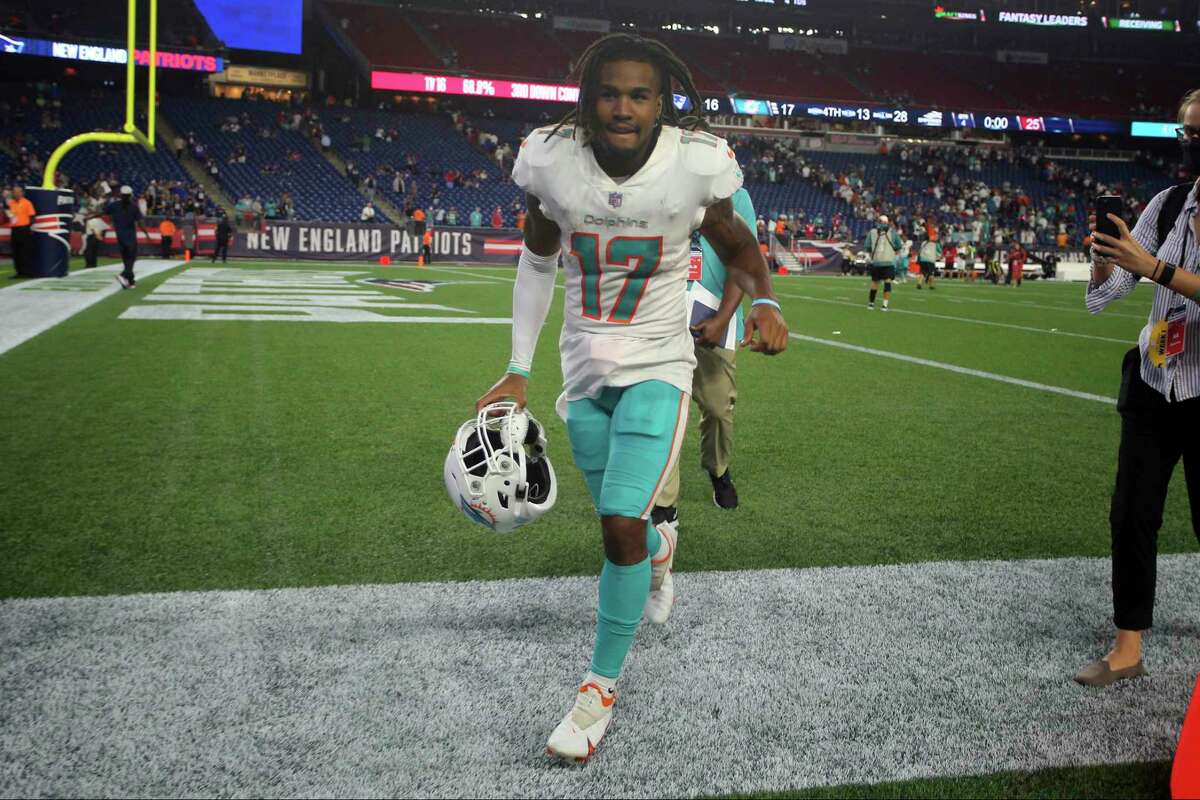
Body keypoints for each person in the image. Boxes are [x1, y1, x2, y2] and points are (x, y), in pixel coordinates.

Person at [473, 32, 787, 763]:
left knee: (617, 525)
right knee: (628, 534)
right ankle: (659, 547)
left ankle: (596, 691)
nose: (623, 107)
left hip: (660, 362)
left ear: (661, 103)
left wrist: (767, 302)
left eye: (639, 95)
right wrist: (517, 365)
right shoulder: (552, 162)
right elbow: (537, 257)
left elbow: (740, 248)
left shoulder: (692, 167)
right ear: (589, 98)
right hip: (584, 372)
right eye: (609, 92)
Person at [1077, 88, 1200, 688]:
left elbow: (1154, 272)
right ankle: (1128, 647)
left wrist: (1154, 268)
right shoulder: (1170, 203)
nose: (1191, 145)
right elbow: (1108, 295)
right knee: (1131, 517)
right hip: (1155, 381)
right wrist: (1106, 260)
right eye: (1186, 134)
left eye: (1199, 133)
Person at [657, 185, 756, 520]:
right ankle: (664, 501)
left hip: (713, 316)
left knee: (717, 408)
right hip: (660, 313)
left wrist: (724, 317)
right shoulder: (657, 182)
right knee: (661, 407)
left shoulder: (734, 194)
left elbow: (743, 258)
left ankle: (718, 470)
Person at [89, 185, 148, 289]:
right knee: (131, 258)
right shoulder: (133, 206)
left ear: (120, 194)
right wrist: (145, 233)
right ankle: (124, 275)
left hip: (120, 235)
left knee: (126, 258)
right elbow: (140, 222)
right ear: (130, 195)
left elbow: (102, 213)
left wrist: (91, 216)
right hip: (130, 235)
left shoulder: (114, 205)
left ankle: (130, 281)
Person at [864, 214, 902, 310]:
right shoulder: (892, 232)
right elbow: (898, 246)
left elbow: (867, 247)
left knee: (874, 282)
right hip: (888, 261)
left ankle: (871, 303)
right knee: (888, 282)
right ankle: (884, 305)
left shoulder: (872, 232)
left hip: (876, 261)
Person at [7, 186, 34, 278]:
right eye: (14, 192)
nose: (16, 194)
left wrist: (27, 227)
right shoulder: (11, 203)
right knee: (16, 252)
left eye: (18, 192)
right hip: (14, 230)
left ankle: (28, 272)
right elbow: (9, 215)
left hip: (24, 229)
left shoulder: (27, 203)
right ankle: (19, 272)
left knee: (25, 252)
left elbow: (32, 216)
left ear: (22, 193)